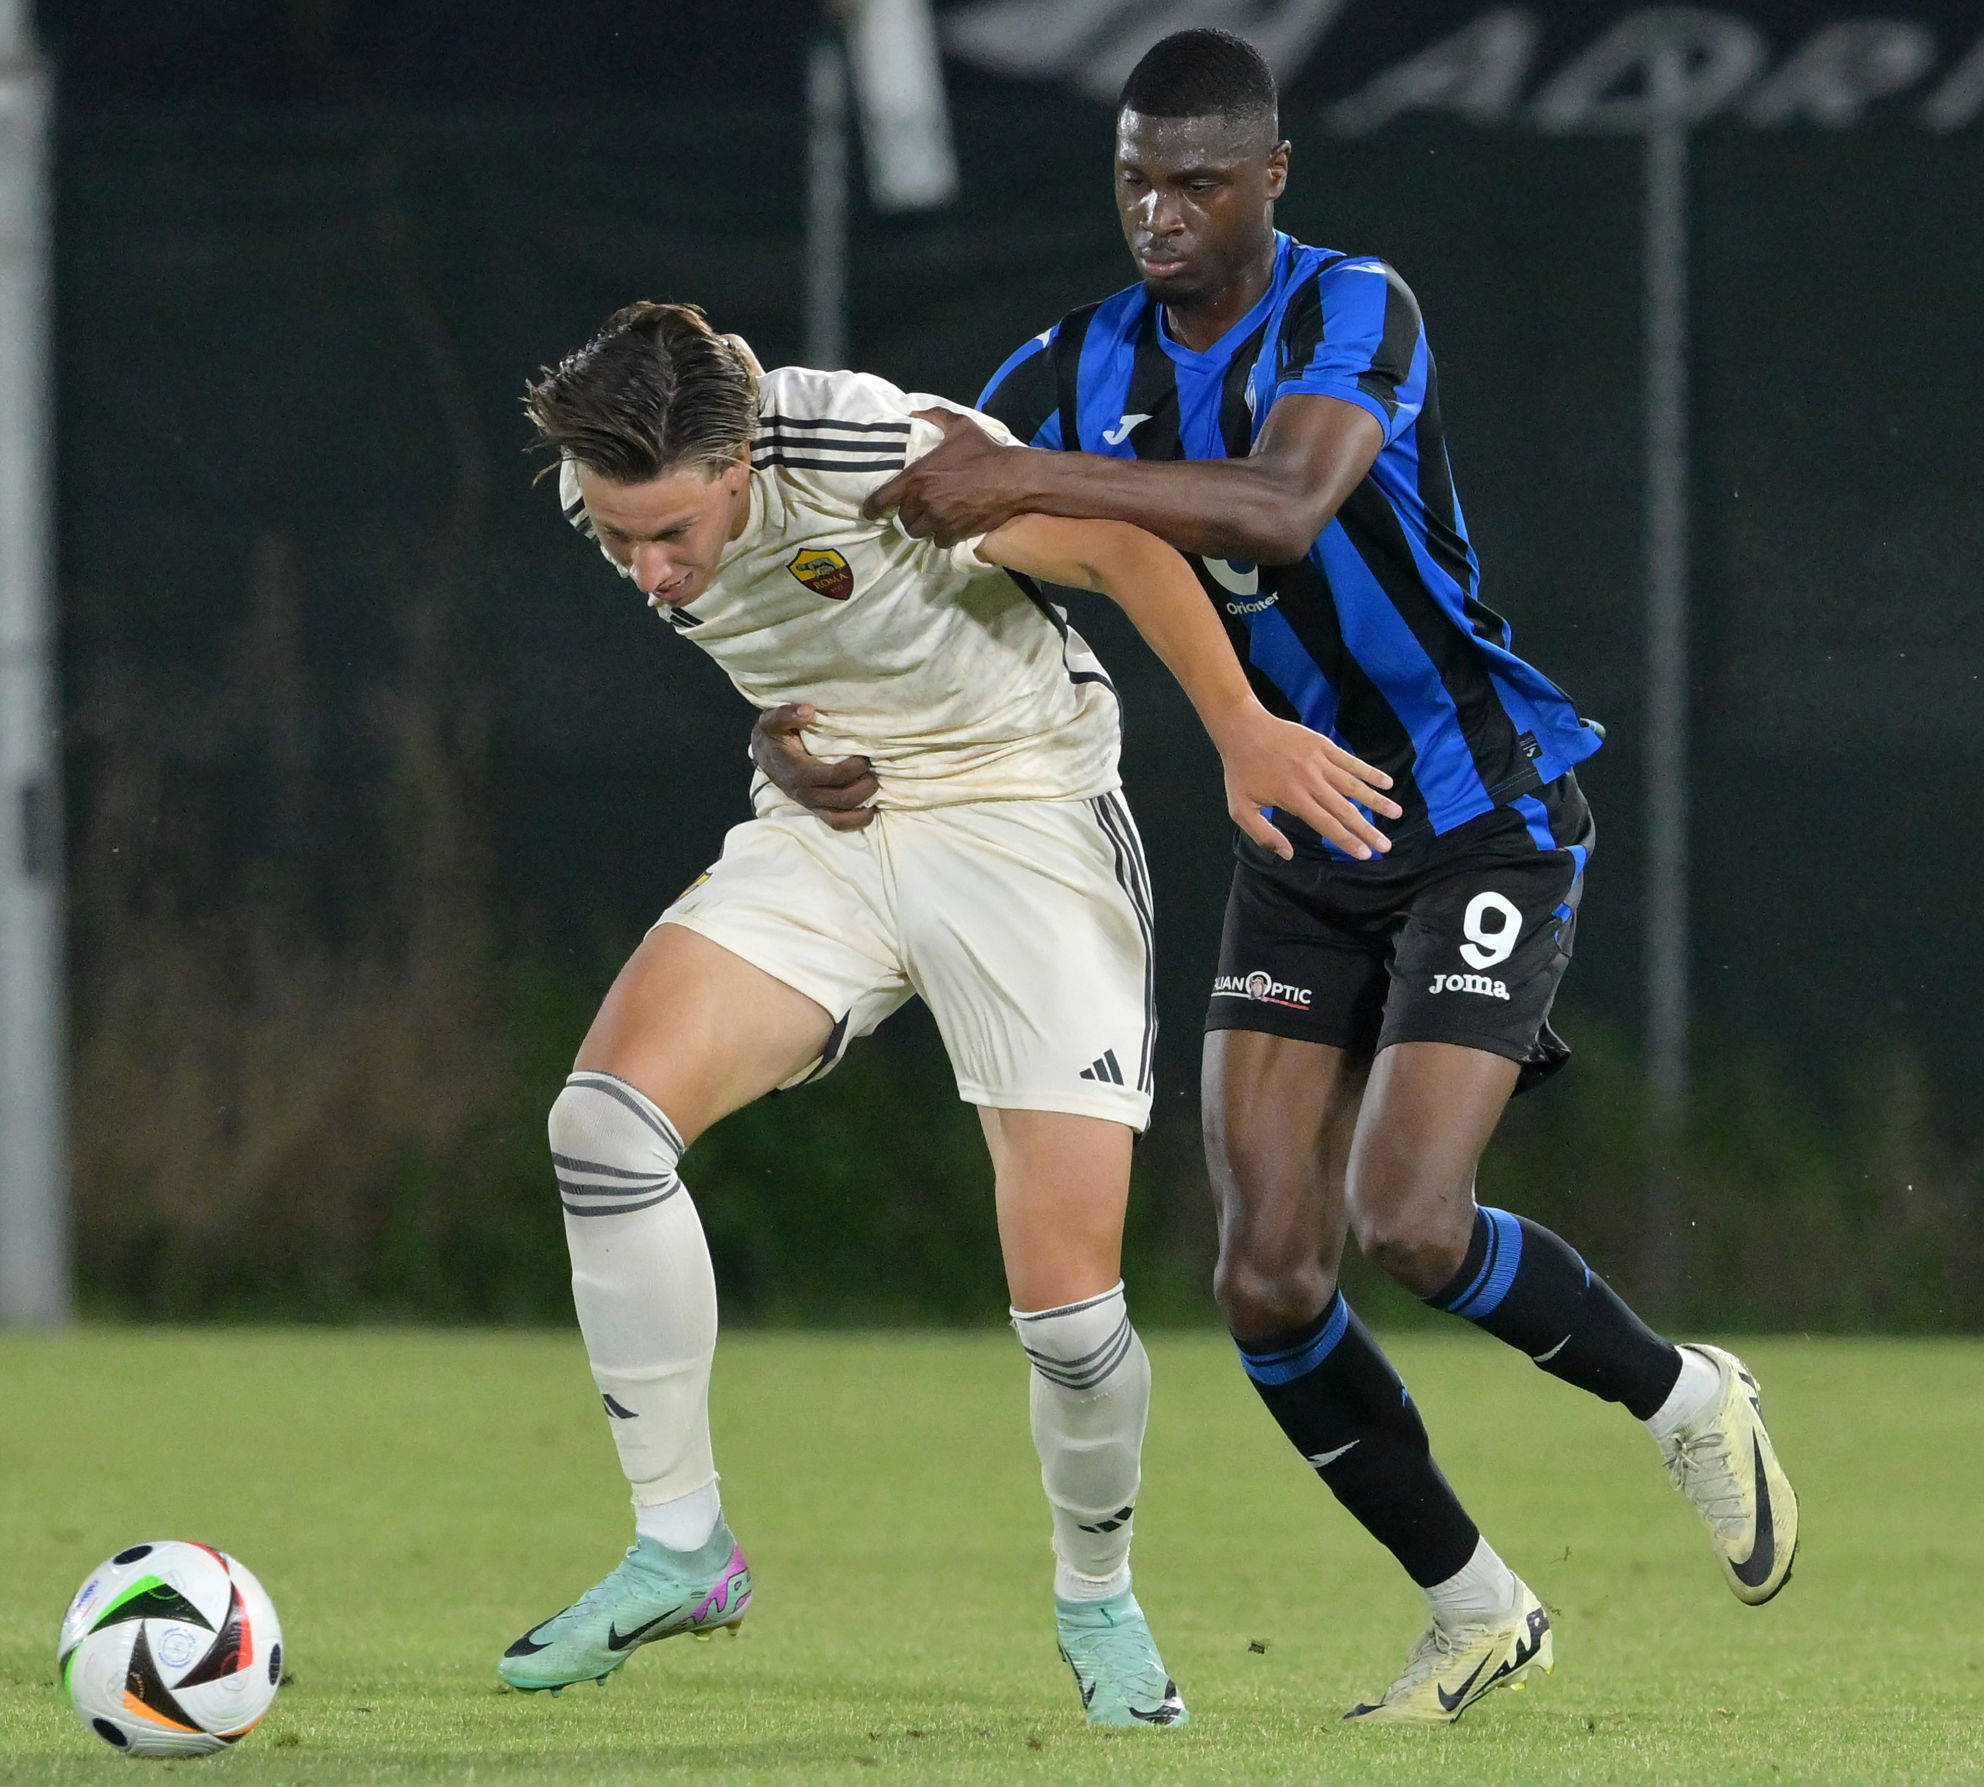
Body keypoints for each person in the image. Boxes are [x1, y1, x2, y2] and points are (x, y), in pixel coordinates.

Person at [754, 29, 1799, 1726]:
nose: (1160, 214)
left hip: (1474, 807)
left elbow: (1283, 505)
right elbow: (904, 553)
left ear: (1272, 178)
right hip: (1301, 841)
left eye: (1198, 182)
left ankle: (1683, 1398)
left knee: (1411, 1220)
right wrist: (787, 721)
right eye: (1135, 181)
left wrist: (1027, 473)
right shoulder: (1071, 364)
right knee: (1263, 1274)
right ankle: (1474, 1608)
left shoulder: (1352, 306)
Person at [497, 300, 1397, 1729]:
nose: (650, 569)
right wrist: (771, 741)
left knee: (1069, 1314)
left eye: (670, 533)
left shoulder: (870, 451)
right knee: (601, 1132)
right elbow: (796, 625)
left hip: (1022, 824)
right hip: (836, 828)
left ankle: (1098, 1601)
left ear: (740, 461)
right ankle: (681, 1547)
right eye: (619, 540)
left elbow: (1120, 549)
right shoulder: (612, 476)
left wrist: (1240, 730)